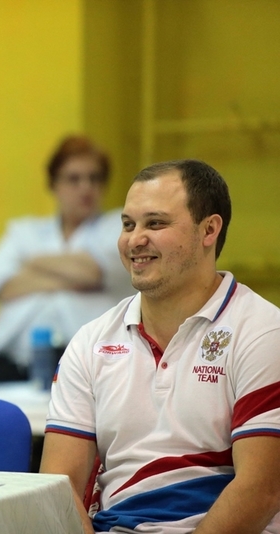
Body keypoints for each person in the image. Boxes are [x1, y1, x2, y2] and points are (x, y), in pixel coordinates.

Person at [41, 160, 280, 533]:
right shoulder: (90, 342)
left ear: (209, 230)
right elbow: (59, 486)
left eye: (155, 224)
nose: (134, 240)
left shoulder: (264, 333)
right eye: (128, 225)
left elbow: (262, 491)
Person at [0, 136, 133, 387]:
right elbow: (1, 284)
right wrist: (74, 277)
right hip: (15, 361)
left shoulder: (118, 226)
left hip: (90, 362)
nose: (86, 188)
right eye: (74, 179)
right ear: (53, 184)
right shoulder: (25, 231)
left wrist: (32, 262)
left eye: (94, 178)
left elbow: (93, 272)